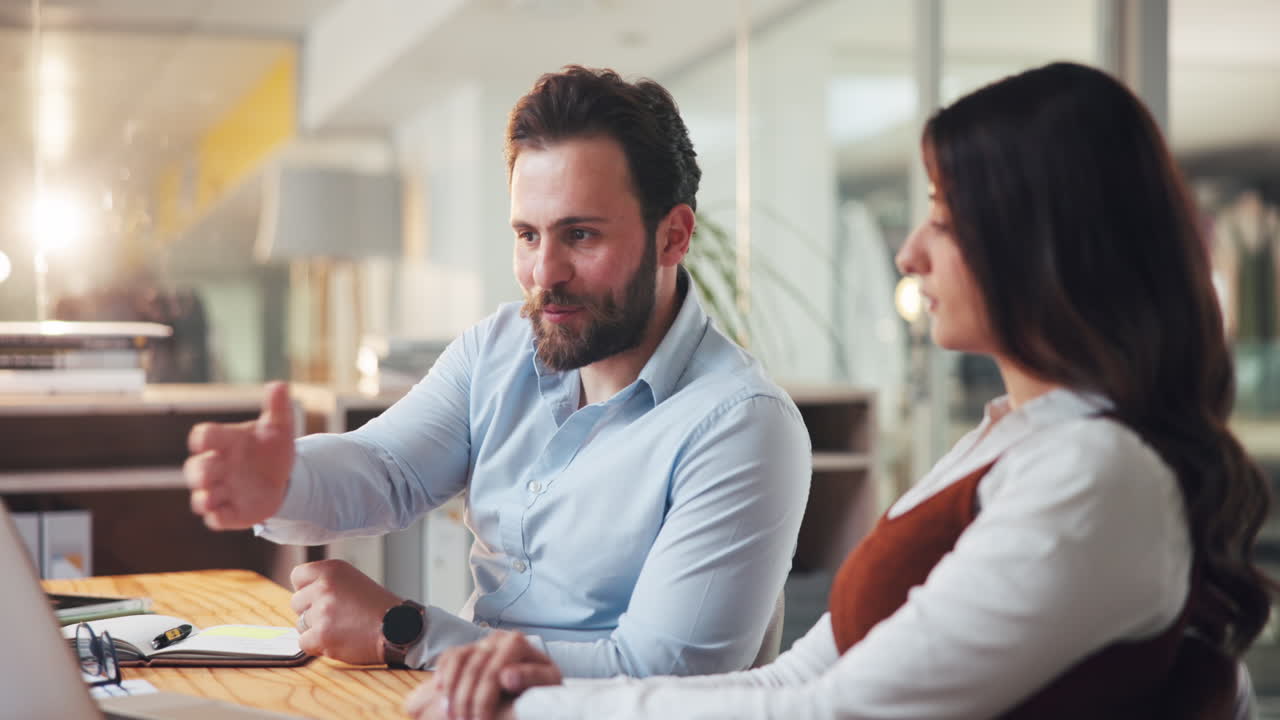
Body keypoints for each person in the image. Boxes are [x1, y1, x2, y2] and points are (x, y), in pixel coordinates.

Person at [407, 61, 1274, 720]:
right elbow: (795, 677)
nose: (911, 255)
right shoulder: (1017, 441)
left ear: (1043, 243)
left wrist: (526, 701)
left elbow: (831, 711)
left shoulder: (1095, 476)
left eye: (944, 217)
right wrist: (537, 684)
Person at [183, 66, 812, 678]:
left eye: (581, 235)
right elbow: (387, 470)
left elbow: (665, 674)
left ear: (672, 237)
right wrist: (283, 483)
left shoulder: (741, 425)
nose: (545, 273)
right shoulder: (499, 347)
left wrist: (406, 632)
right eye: (528, 235)